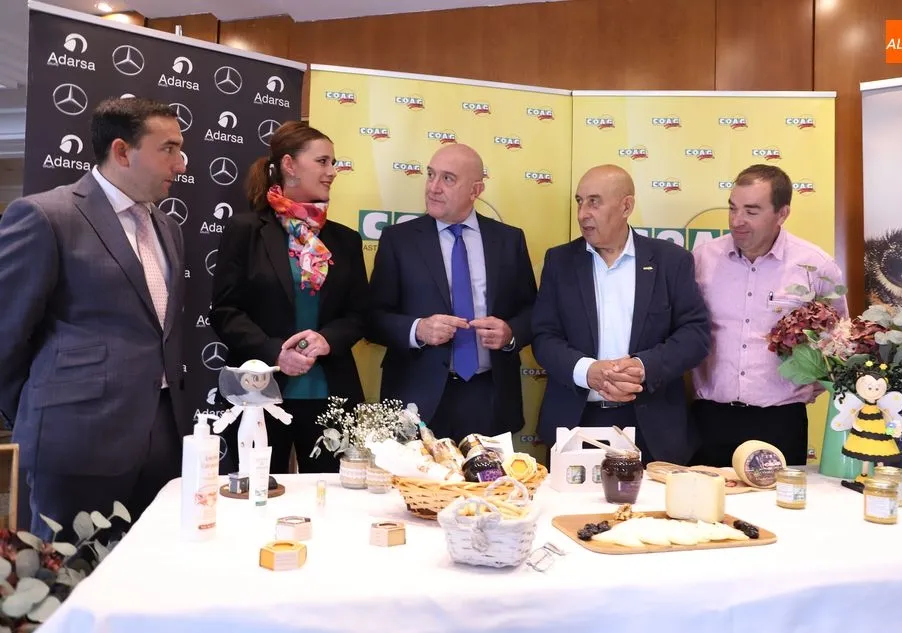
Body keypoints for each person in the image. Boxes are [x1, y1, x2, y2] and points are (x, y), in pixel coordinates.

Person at [0, 97, 188, 538]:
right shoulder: (46, 215)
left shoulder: (168, 227)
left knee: (153, 565)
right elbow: (7, 334)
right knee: (72, 571)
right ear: (122, 151)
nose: (180, 164)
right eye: (168, 149)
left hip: (163, 437)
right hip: (75, 441)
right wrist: (37, 410)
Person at [210, 121, 367, 475]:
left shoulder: (346, 240)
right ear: (289, 165)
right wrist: (275, 352)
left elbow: (359, 315)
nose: (332, 172)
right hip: (258, 392)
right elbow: (226, 311)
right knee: (260, 495)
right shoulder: (247, 230)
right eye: (322, 162)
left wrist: (327, 340)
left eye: (333, 163)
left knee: (332, 500)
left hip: (331, 396)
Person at [532, 165, 710, 465]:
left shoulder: (671, 261)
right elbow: (543, 336)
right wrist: (587, 371)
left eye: (594, 202)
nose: (583, 214)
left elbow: (695, 335)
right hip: (577, 423)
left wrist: (643, 367)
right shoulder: (560, 261)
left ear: (626, 206)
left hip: (652, 428)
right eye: (580, 202)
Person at [367, 143, 537, 441]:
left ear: (476, 190)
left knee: (489, 474)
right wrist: (418, 329)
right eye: (430, 175)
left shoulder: (508, 240)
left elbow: (532, 311)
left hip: (489, 397)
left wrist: (510, 334)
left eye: (448, 178)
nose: (433, 187)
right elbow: (372, 318)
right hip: (417, 397)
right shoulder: (399, 240)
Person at [690, 164, 847, 467]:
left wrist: (807, 384)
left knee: (779, 499)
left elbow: (839, 342)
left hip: (780, 421)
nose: (737, 220)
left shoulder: (815, 265)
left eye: (751, 211)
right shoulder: (702, 259)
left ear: (782, 213)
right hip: (709, 419)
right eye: (732, 208)